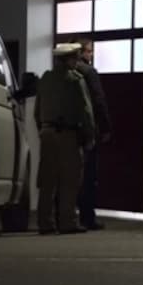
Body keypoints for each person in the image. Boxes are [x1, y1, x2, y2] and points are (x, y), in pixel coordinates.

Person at [34, 43, 95, 235]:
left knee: (47, 180)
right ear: (68, 59)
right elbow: (85, 111)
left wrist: (42, 129)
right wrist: (89, 135)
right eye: (75, 58)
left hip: (47, 132)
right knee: (70, 179)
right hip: (68, 134)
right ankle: (67, 221)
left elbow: (37, 109)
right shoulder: (75, 80)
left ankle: (45, 222)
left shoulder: (45, 79)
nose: (77, 61)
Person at [72, 37, 112, 231]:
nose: (91, 54)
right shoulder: (89, 72)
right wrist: (105, 127)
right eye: (88, 51)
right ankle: (88, 217)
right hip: (88, 130)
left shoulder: (63, 72)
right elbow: (98, 100)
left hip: (69, 131)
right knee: (88, 176)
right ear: (80, 53)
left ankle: (65, 214)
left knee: (68, 175)